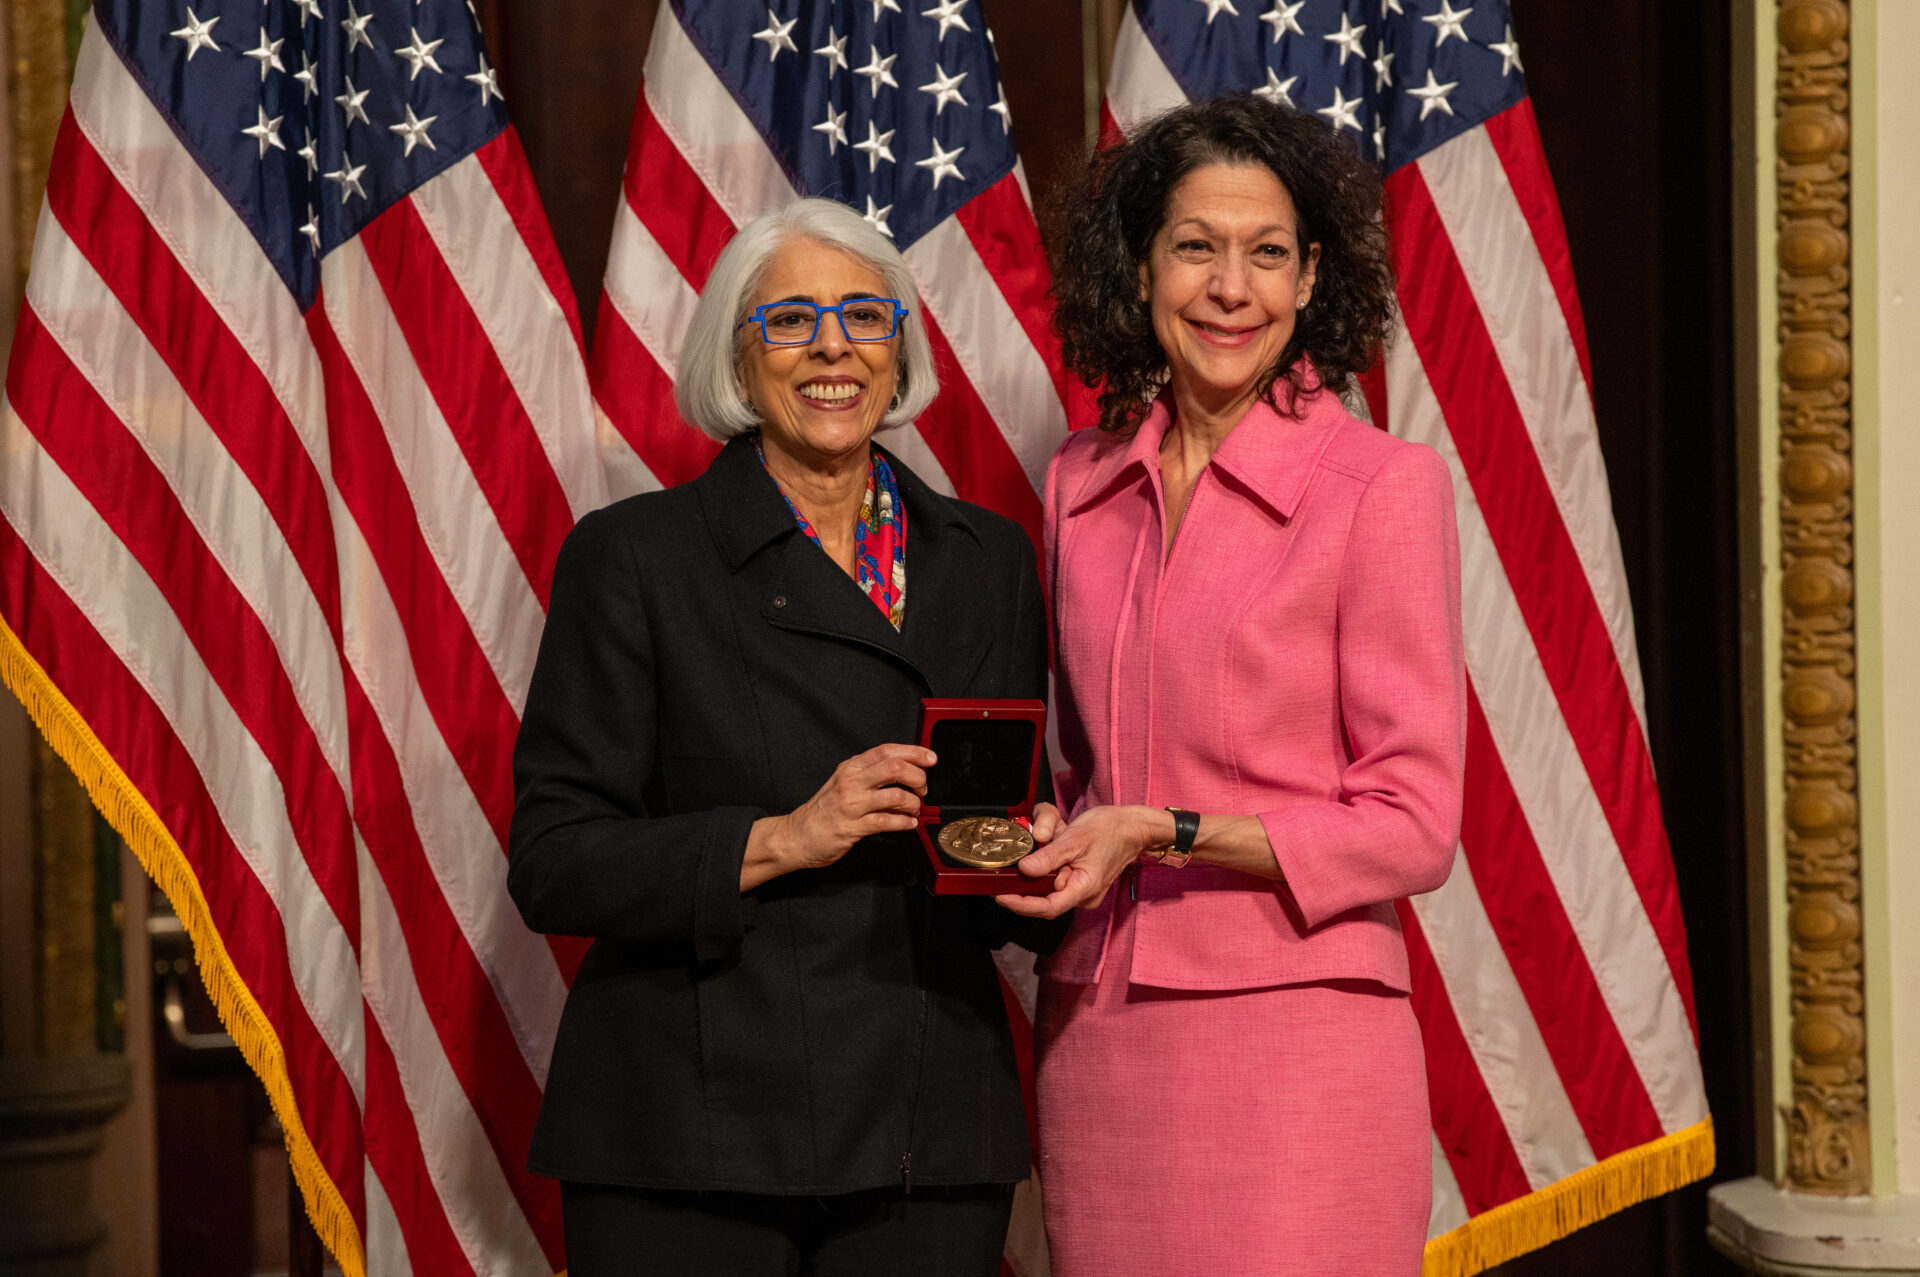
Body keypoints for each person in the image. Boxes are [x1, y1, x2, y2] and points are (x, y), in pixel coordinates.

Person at [509, 197, 1062, 1277]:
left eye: (865, 317)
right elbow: (555, 861)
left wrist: (1032, 860)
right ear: (736, 357)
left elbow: (988, 836)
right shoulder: (634, 559)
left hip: (929, 1125)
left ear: (899, 354)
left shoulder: (986, 559)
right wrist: (785, 835)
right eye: (792, 320)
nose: (833, 348)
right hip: (691, 1130)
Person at [998, 97, 1467, 1273]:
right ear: (1142, 265)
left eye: (1267, 253)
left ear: (1313, 279)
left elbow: (1413, 826)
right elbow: (1074, 767)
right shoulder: (1078, 482)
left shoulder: (1383, 488)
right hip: (1101, 1035)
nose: (1229, 286)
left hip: (1302, 1027)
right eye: (1195, 246)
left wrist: (1167, 830)